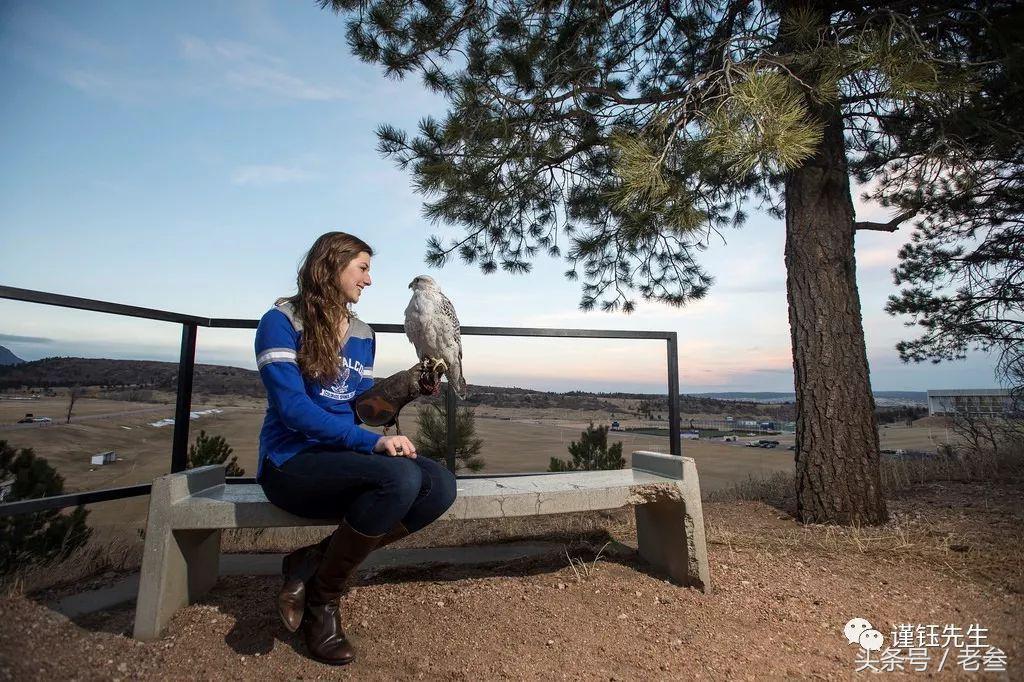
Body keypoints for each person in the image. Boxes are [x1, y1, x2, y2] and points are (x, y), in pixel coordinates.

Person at [254, 231, 458, 666]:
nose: (369, 280)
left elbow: (364, 408)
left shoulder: (362, 333)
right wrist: (372, 444)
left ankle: (310, 562)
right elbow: (293, 410)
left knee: (439, 485)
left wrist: (406, 386)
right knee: (401, 476)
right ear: (333, 265)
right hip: (292, 462)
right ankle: (322, 604)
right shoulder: (282, 321)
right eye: (363, 269)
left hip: (344, 457)